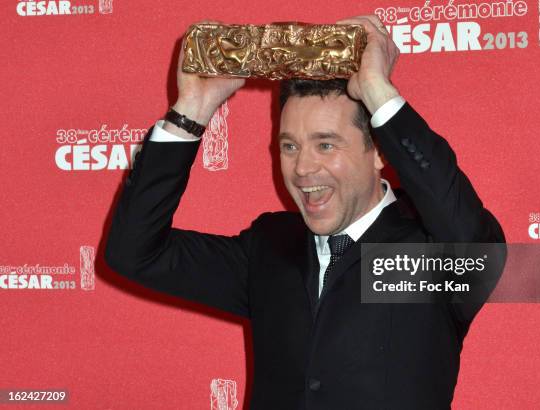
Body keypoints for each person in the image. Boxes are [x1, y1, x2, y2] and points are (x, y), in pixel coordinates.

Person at [105, 15, 505, 409]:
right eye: (290, 146)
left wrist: (377, 91)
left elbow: (474, 242)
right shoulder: (268, 247)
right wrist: (191, 109)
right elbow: (134, 252)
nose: (302, 169)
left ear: (380, 151)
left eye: (326, 145)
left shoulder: (427, 254)